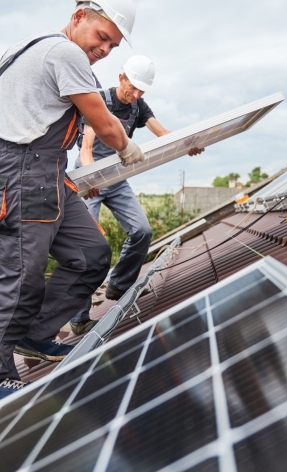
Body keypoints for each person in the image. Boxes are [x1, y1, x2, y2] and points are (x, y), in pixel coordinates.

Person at [0, 0, 145, 399]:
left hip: (49, 173)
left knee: (91, 253)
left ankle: (34, 334)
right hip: (23, 171)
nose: (104, 50)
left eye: (113, 46)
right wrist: (125, 146)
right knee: (21, 275)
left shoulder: (30, 49)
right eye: (102, 38)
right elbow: (102, 120)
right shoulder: (64, 52)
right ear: (79, 16)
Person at [70, 55, 205, 335]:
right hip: (91, 180)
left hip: (118, 179)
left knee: (142, 230)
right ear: (121, 78)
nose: (137, 94)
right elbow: (86, 148)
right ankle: (80, 317)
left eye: (142, 90)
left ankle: (118, 285)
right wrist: (90, 176)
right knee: (89, 247)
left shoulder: (138, 107)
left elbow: (163, 134)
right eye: (133, 87)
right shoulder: (100, 100)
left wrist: (188, 144)